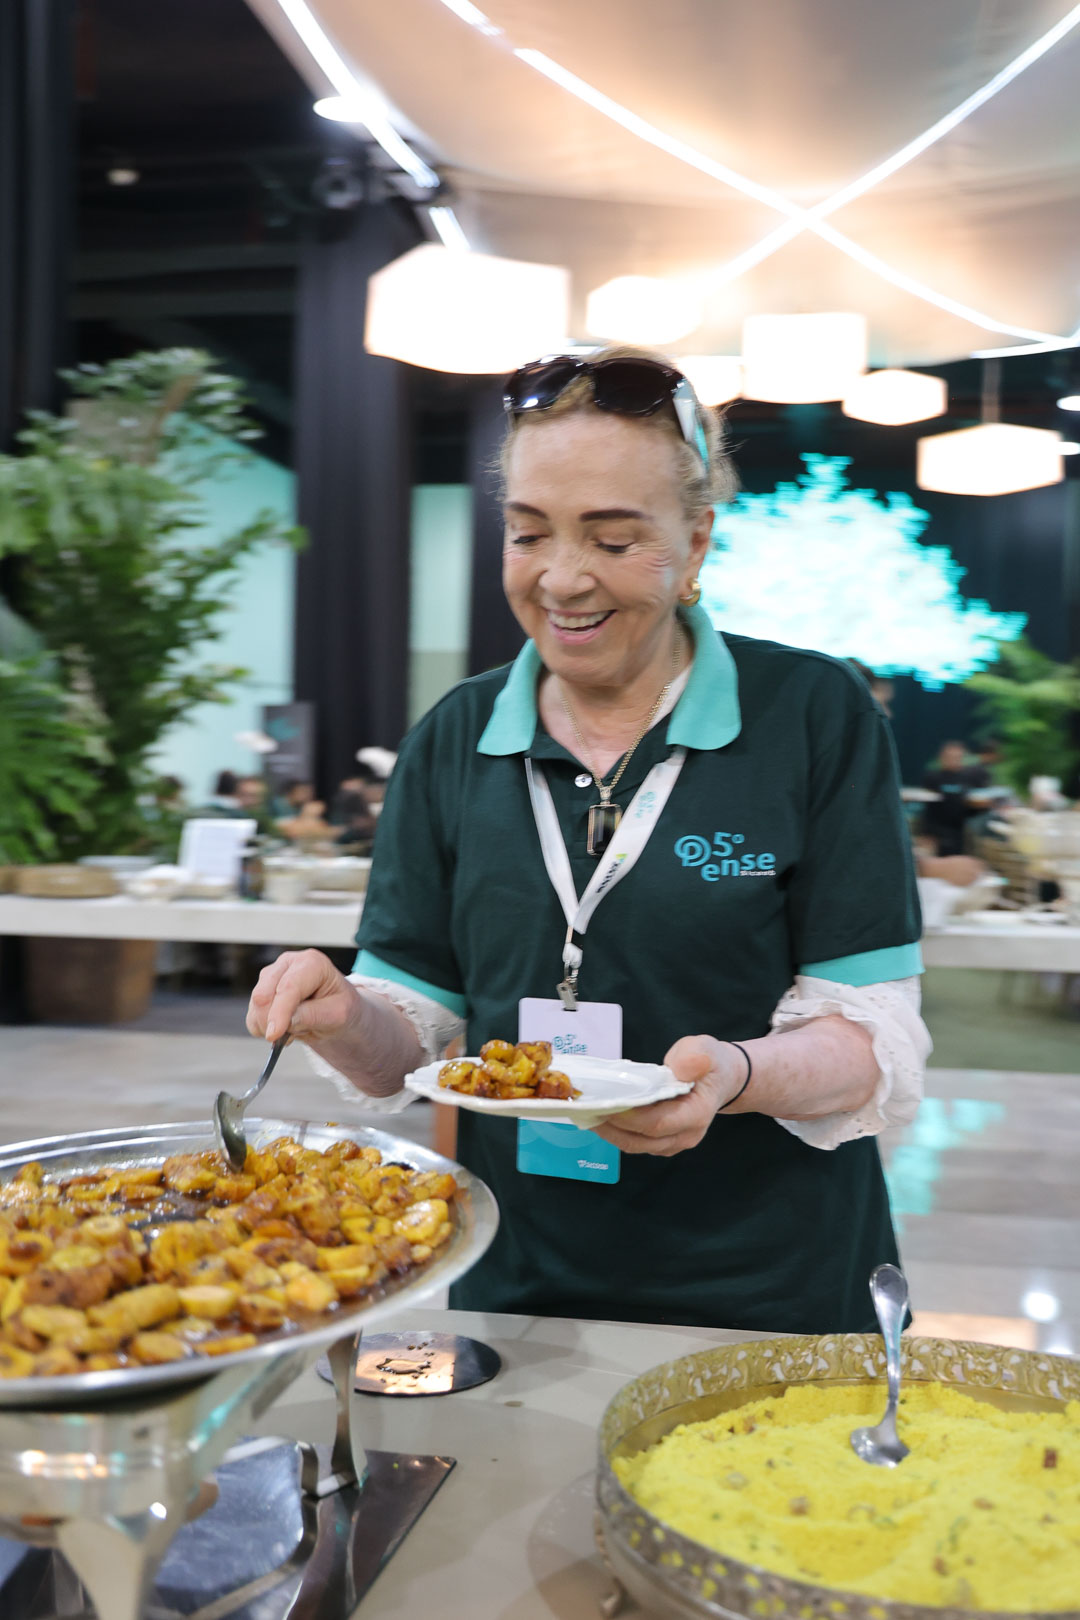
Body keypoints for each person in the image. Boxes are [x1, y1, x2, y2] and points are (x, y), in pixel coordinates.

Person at [247, 346, 930, 1335]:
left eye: (613, 540)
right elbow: (408, 1048)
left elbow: (872, 1038)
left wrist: (735, 1076)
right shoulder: (454, 737)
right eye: (529, 534)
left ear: (696, 543)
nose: (563, 579)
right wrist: (341, 1014)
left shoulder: (813, 714)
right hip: (520, 1280)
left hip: (771, 1283)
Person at [920, 741, 992, 856]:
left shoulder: (968, 778)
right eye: (950, 757)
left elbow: (970, 808)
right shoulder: (933, 778)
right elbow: (928, 808)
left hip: (959, 832)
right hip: (935, 832)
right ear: (942, 757)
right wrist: (926, 834)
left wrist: (982, 806)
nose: (954, 760)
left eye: (958, 757)